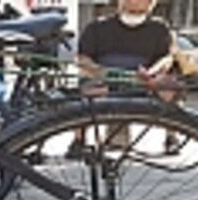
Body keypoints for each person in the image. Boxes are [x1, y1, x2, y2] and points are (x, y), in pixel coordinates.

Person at [73, 0, 179, 155]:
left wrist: (151, 73)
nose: (135, 4)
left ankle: (171, 138)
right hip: (105, 80)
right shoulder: (97, 28)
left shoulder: (159, 29)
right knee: (88, 91)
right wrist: (102, 72)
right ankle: (78, 141)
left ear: (151, 4)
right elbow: (82, 59)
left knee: (169, 89)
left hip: (144, 81)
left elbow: (166, 58)